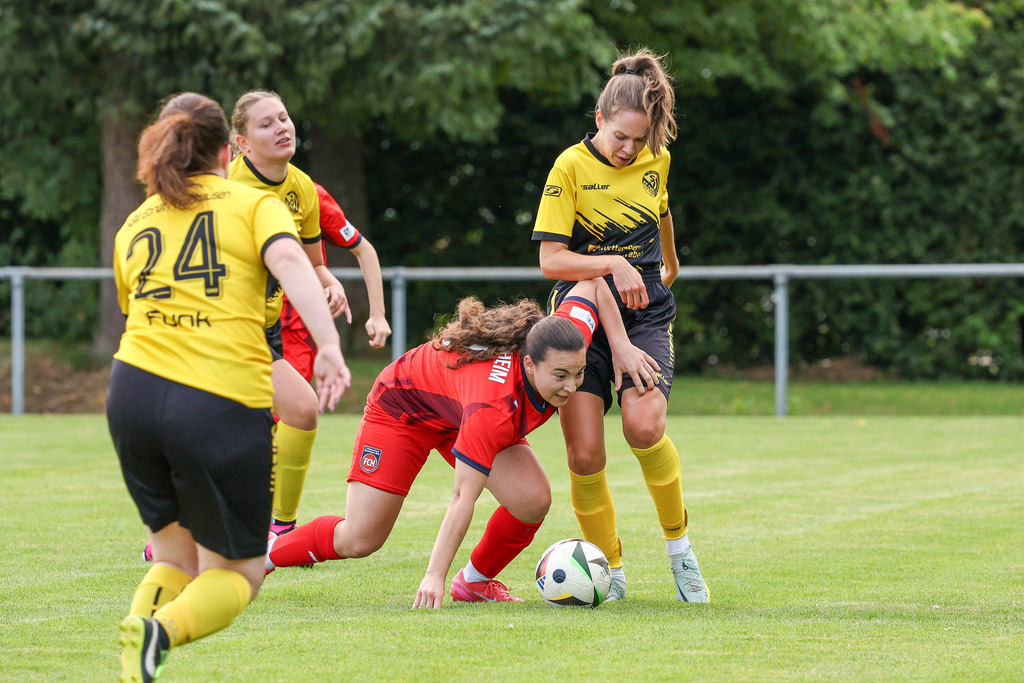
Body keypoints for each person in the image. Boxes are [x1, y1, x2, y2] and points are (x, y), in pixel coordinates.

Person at [109, 92, 350, 681]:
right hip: (214, 397)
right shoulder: (251, 202)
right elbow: (294, 265)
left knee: (172, 557)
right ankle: (159, 631)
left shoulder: (135, 222)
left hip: (131, 394)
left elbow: (131, 309)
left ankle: (133, 665)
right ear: (226, 150)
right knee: (238, 574)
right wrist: (328, 346)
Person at [264, 279, 659, 608]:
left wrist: (621, 347)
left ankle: (474, 582)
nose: (571, 387)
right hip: (403, 408)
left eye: (578, 373)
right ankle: (261, 555)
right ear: (528, 363)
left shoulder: (565, 337)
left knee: (532, 499)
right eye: (560, 376)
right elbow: (461, 499)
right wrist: (433, 576)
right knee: (360, 538)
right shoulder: (493, 407)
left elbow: (591, 285)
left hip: (457, 410)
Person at [531, 48, 710, 603]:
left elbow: (661, 211)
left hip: (646, 312)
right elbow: (551, 261)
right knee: (585, 456)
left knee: (643, 426)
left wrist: (671, 267)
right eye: (621, 138)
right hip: (582, 313)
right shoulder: (569, 167)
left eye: (641, 140)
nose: (631, 150)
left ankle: (681, 552)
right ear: (599, 120)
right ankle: (607, 573)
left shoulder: (656, 157)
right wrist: (612, 263)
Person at [228, 90, 351, 537]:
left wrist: (330, 282)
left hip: (266, 327)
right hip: (222, 328)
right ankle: (177, 531)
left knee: (301, 411)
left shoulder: (301, 187)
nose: (282, 127)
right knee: (226, 431)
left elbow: (313, 264)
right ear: (241, 144)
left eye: (284, 118)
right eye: (266, 124)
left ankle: (280, 529)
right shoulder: (226, 186)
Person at [279, 182, 391, 385]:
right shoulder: (225, 189)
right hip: (243, 321)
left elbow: (364, 250)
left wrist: (378, 315)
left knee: (291, 411)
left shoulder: (307, 192)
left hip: (294, 325)